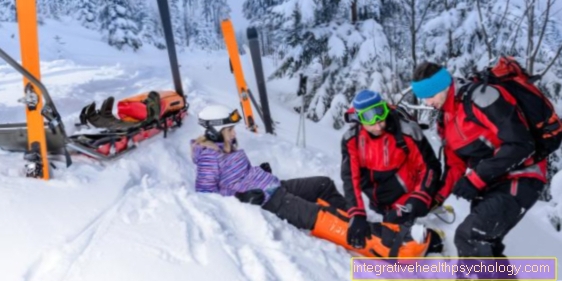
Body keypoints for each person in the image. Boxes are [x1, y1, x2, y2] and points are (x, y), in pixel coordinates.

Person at [191, 103, 444, 258]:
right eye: (229, 129)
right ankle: (403, 245)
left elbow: (236, 175)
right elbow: (206, 195)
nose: (234, 133)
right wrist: (241, 198)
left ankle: (357, 223)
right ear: (215, 131)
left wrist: (256, 171)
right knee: (323, 216)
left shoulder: (227, 146)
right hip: (269, 201)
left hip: (274, 186)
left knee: (322, 183)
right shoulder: (209, 158)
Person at [410, 62, 547, 258]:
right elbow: (455, 166)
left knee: (470, 237)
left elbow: (521, 144)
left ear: (444, 85)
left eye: (430, 95)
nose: (428, 103)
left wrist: (475, 178)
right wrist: (433, 199)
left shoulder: (481, 98)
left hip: (520, 177)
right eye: (424, 98)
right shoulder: (446, 120)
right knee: (486, 247)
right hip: (489, 185)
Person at [341, 90, 443, 250]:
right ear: (359, 119)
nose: (378, 123)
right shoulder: (352, 140)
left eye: (380, 113)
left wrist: (419, 197)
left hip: (407, 198)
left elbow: (430, 167)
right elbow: (350, 178)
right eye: (369, 119)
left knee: (395, 235)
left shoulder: (406, 131)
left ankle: (429, 238)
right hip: (378, 201)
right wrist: (357, 213)